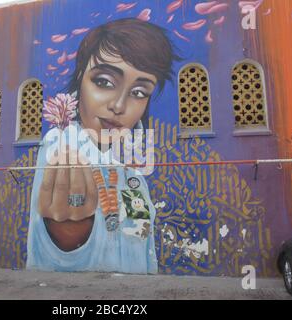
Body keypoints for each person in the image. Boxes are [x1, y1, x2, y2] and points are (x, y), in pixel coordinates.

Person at [26, 18, 180, 274]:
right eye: (105, 82)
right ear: (80, 77)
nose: (119, 106)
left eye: (139, 92)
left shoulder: (134, 176)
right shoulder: (60, 145)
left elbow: (141, 241)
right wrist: (69, 237)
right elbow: (49, 249)